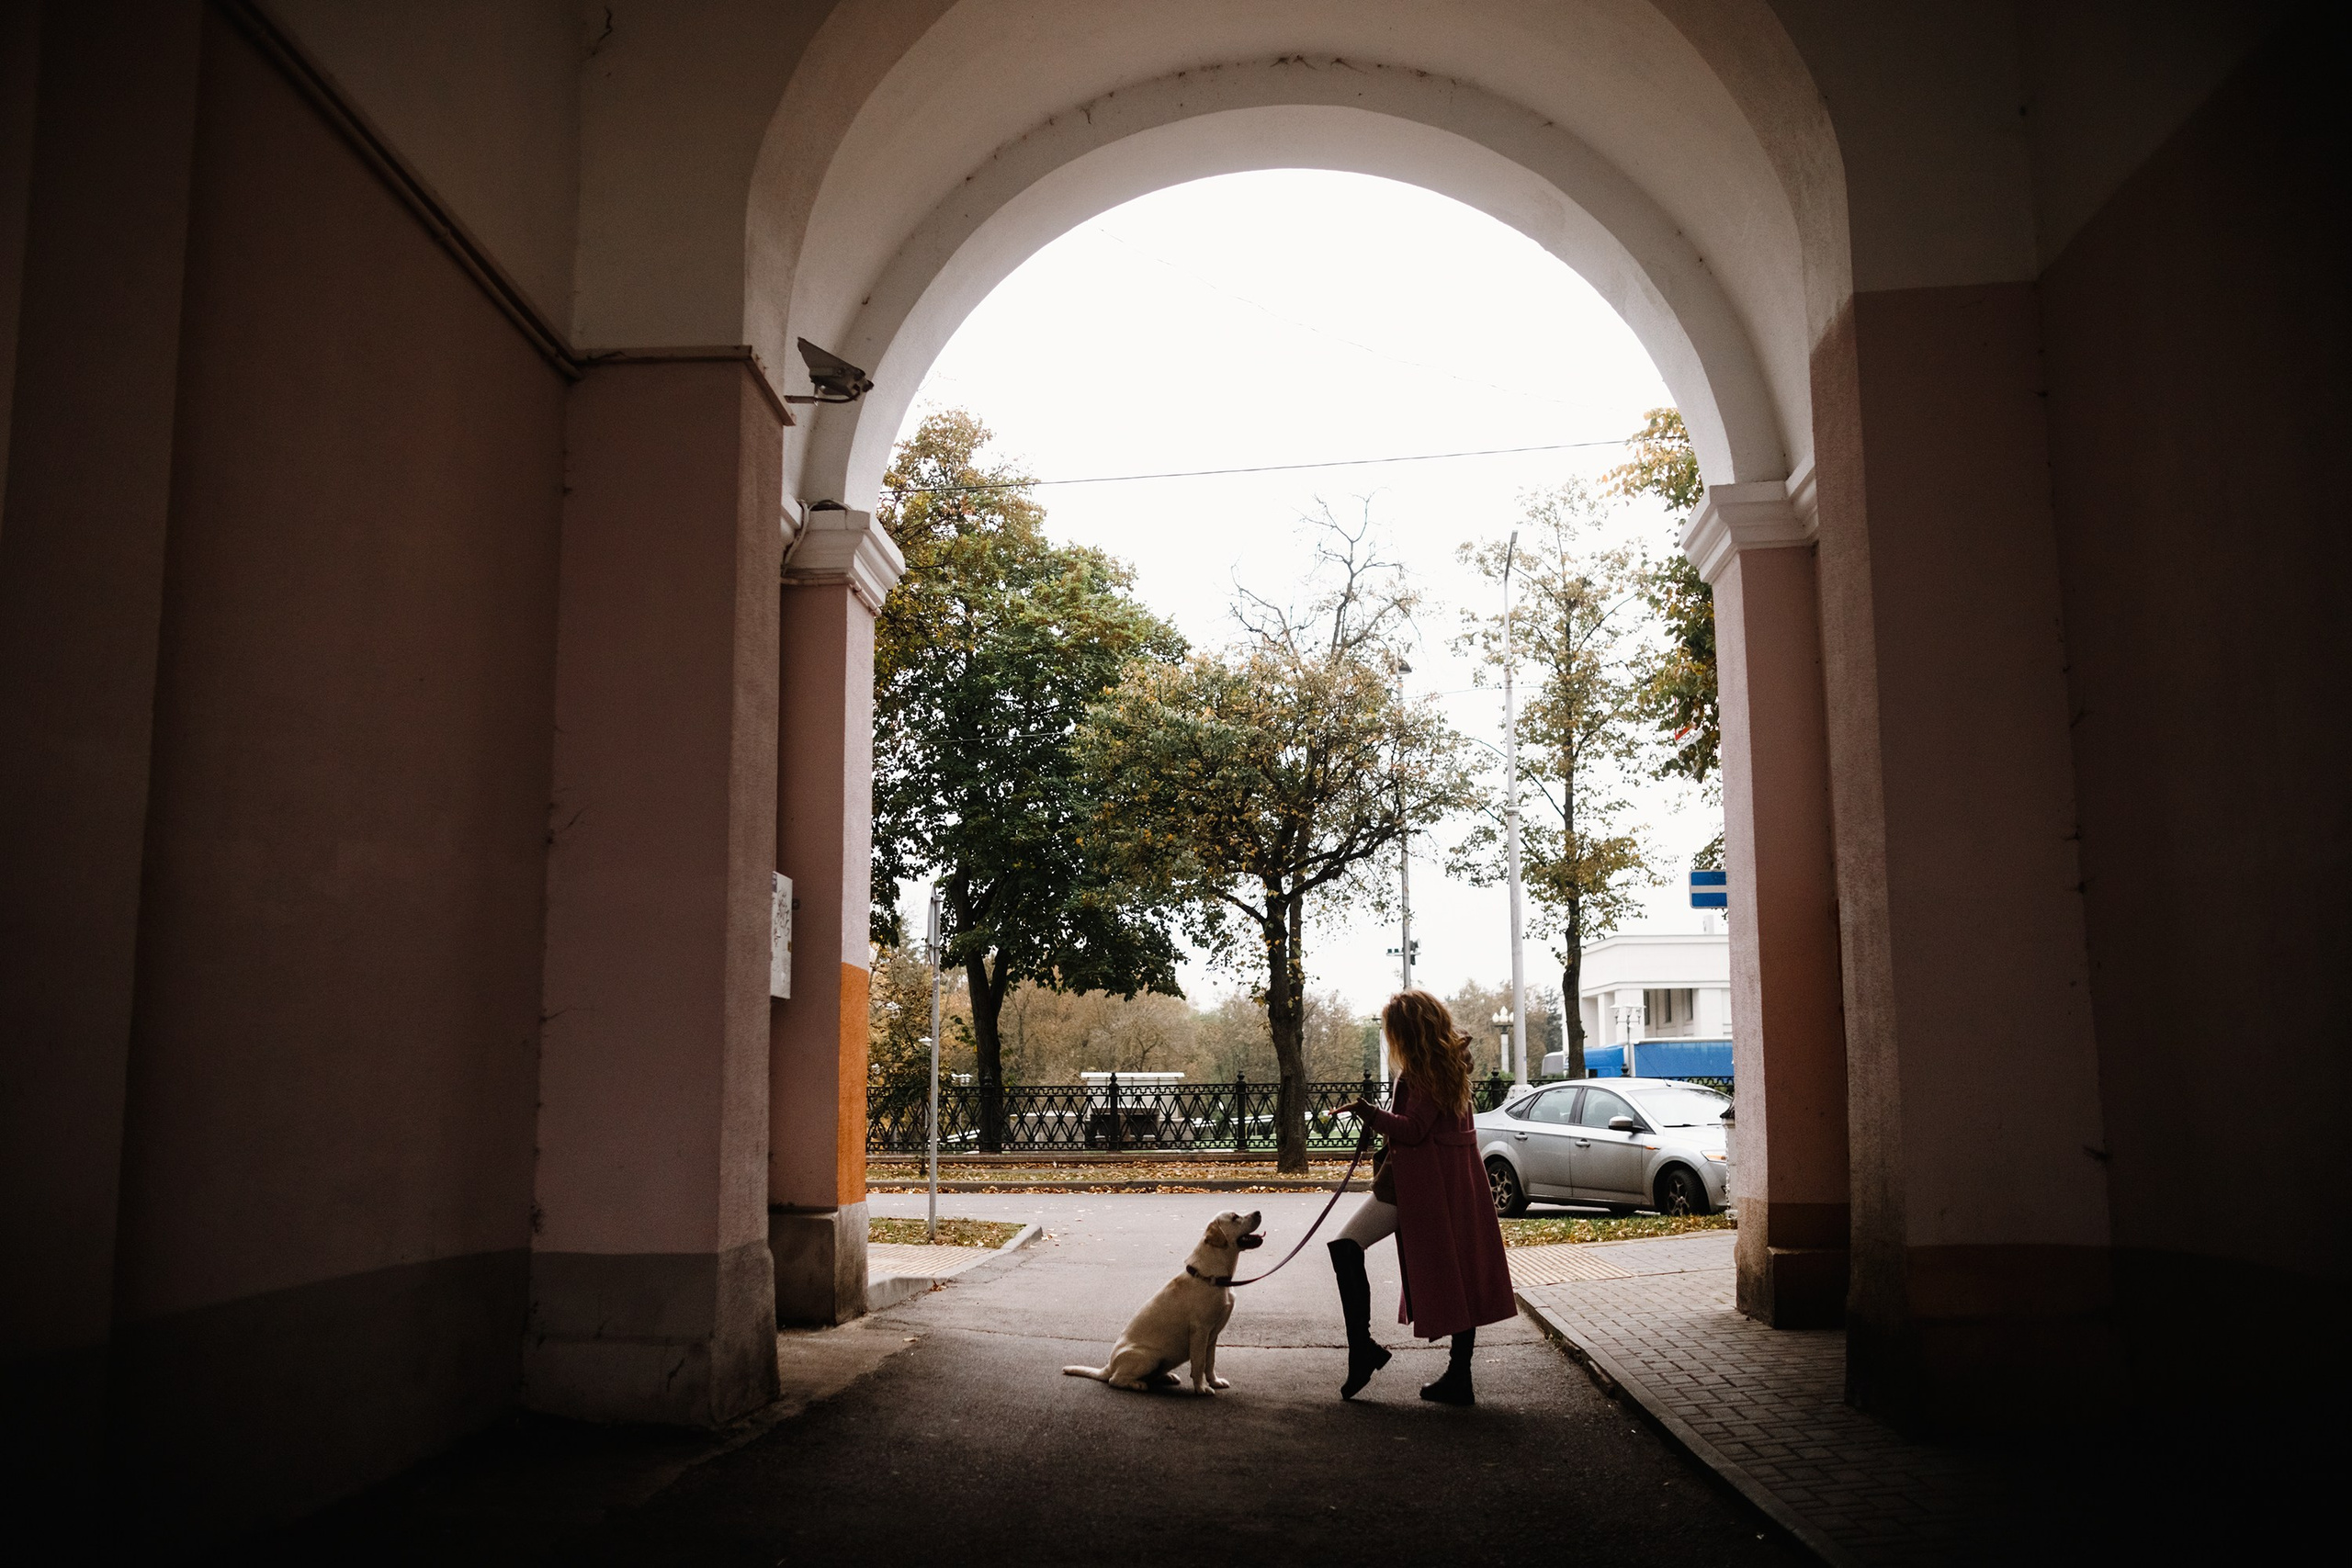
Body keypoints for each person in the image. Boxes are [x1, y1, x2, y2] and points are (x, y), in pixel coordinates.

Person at [1330, 989, 1516, 1404]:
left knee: (1346, 1247)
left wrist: (1368, 1112)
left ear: (1407, 1030)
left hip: (1419, 1183)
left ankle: (1364, 1351)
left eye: (1392, 1029)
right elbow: (1423, 1125)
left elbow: (1413, 1129)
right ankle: (1458, 1375)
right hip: (1438, 1181)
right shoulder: (1444, 1065)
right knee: (1458, 1270)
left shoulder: (1425, 1070)